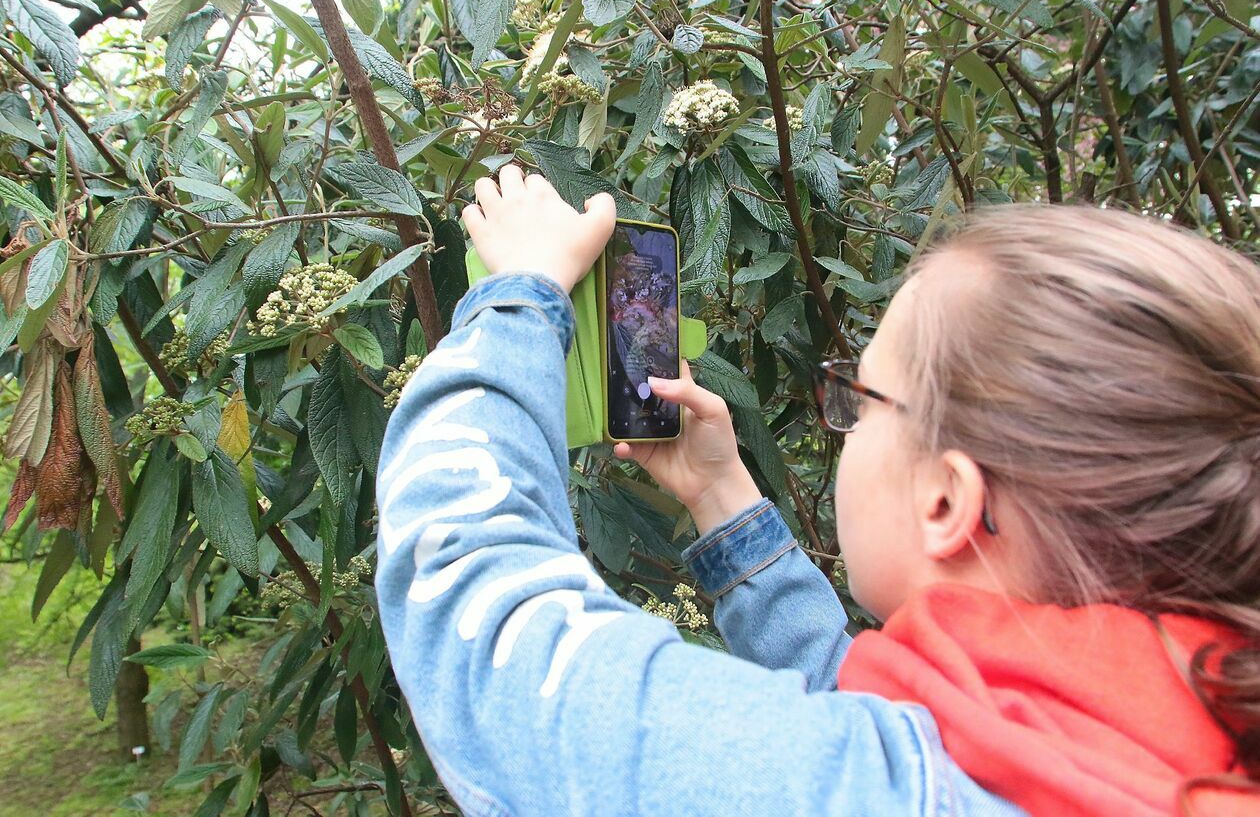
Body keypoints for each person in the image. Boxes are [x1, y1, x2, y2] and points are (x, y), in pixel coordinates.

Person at [373, 163, 1259, 816]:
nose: (846, 416)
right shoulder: (1174, 737)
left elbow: (478, 616)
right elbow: (868, 719)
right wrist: (724, 498)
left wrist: (522, 296)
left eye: (861, 397)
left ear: (946, 502)